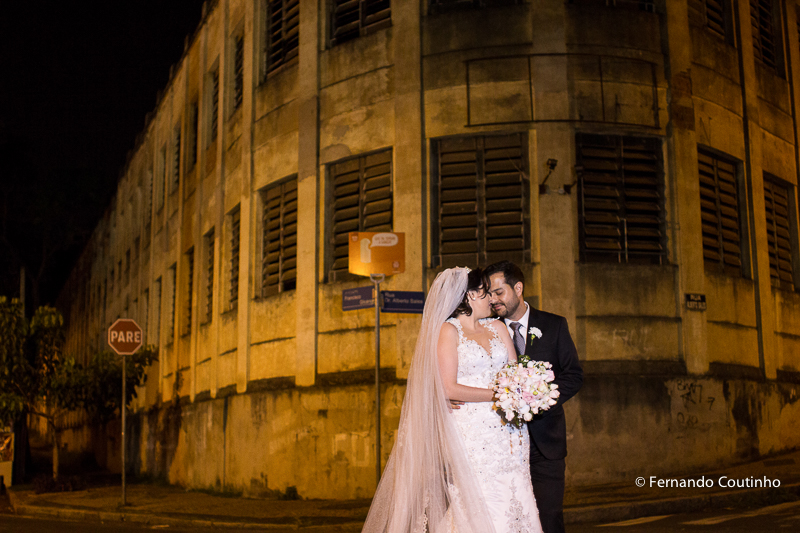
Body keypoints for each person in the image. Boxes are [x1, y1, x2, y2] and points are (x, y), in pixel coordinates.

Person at [362, 267, 542, 533]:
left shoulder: (498, 328)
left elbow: (513, 373)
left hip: (510, 431)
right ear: (469, 296)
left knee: (516, 490)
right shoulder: (448, 331)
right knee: (478, 497)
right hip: (472, 431)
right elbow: (448, 388)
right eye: (485, 293)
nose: (491, 299)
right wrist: (499, 394)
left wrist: (525, 389)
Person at [483, 261, 583, 533]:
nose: (494, 300)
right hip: (503, 445)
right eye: (489, 294)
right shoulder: (488, 331)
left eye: (499, 292)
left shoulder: (554, 325)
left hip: (545, 444)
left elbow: (573, 375)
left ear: (518, 288)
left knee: (548, 519)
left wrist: (541, 396)